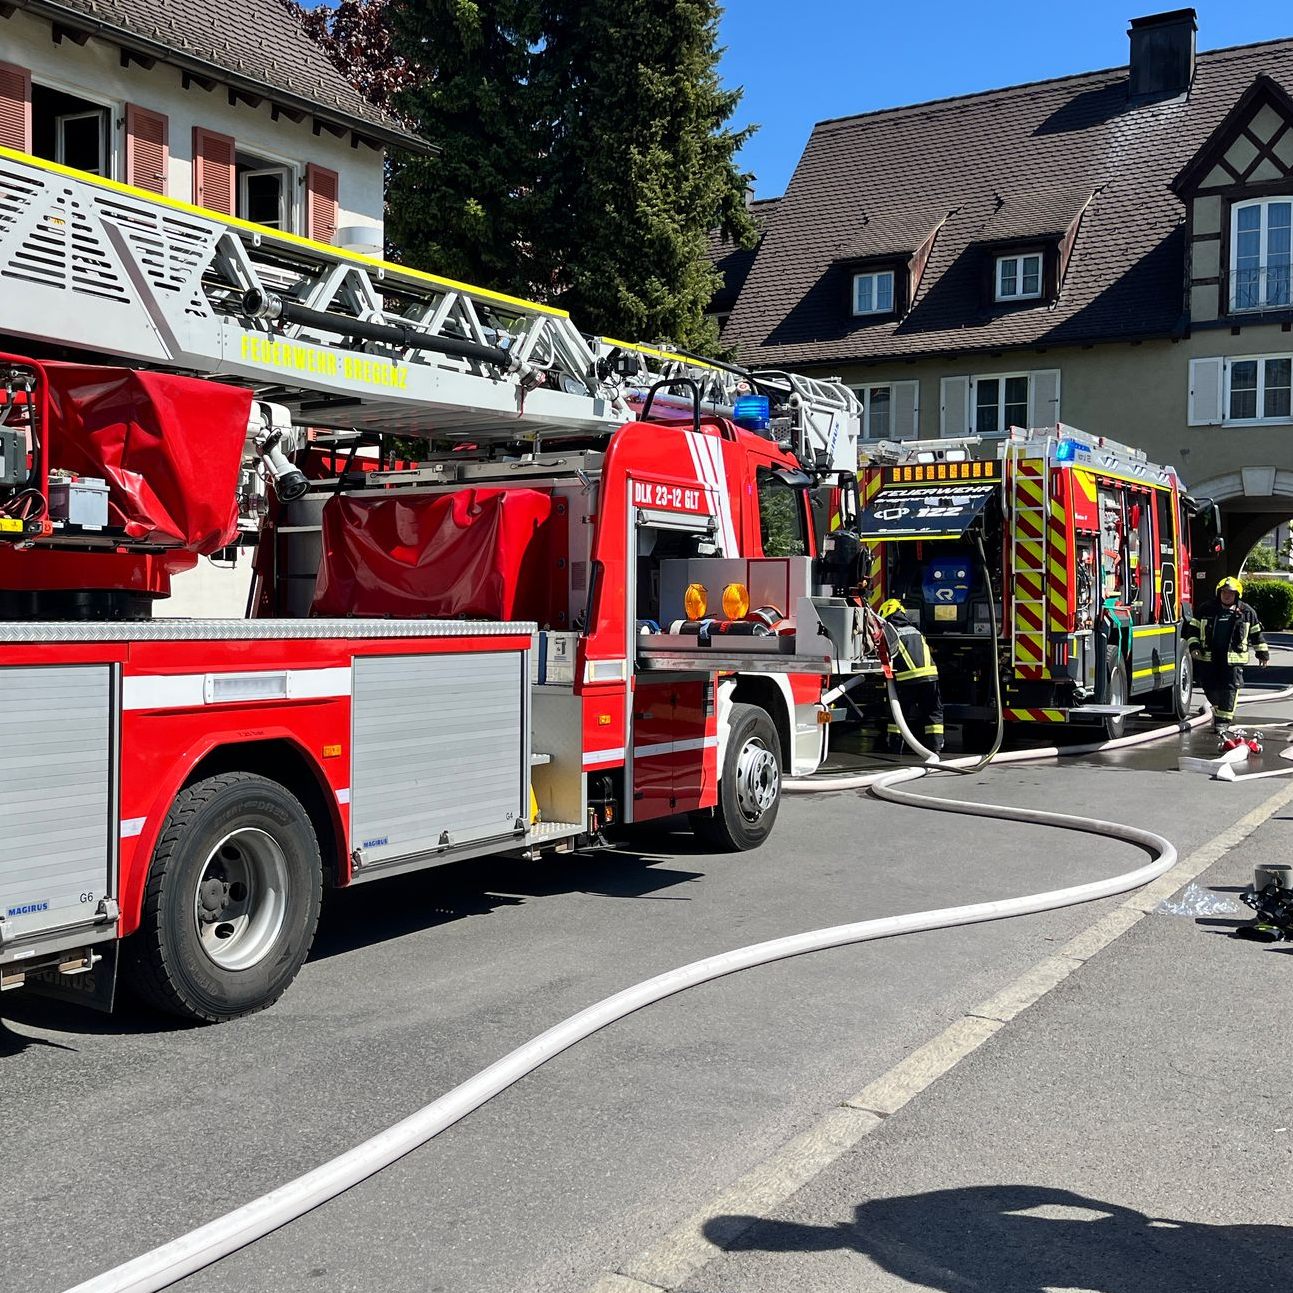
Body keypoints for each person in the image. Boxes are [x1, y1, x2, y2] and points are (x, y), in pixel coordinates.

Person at [1185, 576, 1269, 731]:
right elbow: (1193, 630)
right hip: (1209, 657)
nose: (1227, 595)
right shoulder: (1206, 609)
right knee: (1209, 687)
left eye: (1230, 592)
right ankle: (1219, 710)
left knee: (1230, 688)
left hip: (1233, 659)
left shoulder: (1246, 612)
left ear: (1237, 594)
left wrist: (1262, 654)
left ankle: (1223, 721)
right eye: (1224, 592)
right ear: (1219, 592)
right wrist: (1194, 646)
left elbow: (1256, 634)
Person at [878, 598, 944, 754]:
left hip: (907, 679)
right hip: (931, 678)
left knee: (899, 713)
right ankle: (935, 748)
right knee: (933, 713)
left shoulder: (891, 631)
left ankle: (894, 747)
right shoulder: (915, 630)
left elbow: (886, 655)